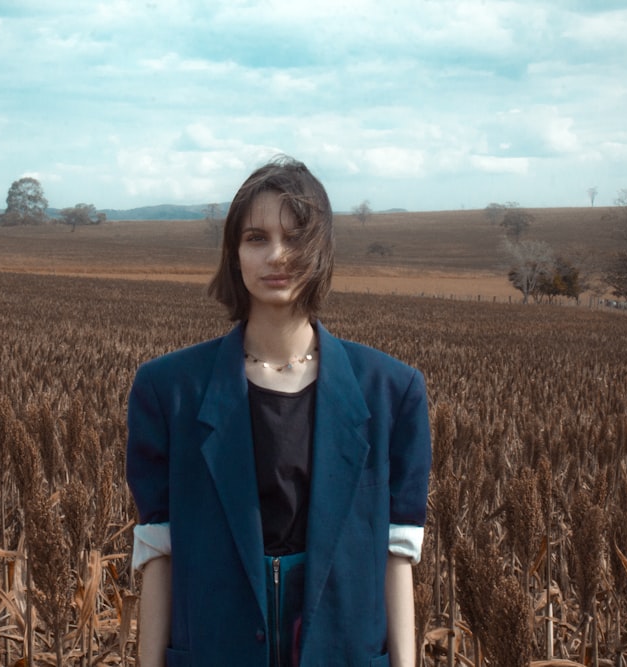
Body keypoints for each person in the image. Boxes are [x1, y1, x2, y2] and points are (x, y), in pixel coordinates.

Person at [126, 156, 431, 667]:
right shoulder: (168, 391)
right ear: (234, 253)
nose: (277, 255)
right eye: (256, 237)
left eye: (295, 237)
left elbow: (396, 557)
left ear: (322, 251)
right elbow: (159, 554)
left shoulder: (392, 392)